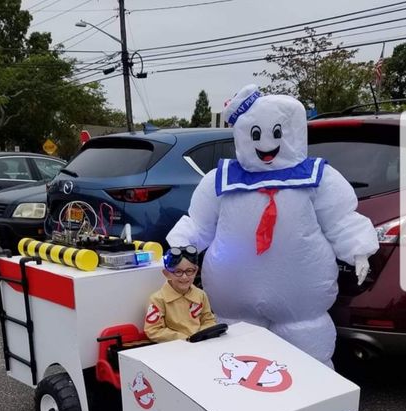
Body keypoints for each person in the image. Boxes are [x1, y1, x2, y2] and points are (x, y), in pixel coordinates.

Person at [167, 84, 379, 368]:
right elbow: (199, 223)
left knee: (307, 360)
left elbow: (340, 219)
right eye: (255, 134)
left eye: (277, 133)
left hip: (300, 301)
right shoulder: (222, 180)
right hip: (233, 301)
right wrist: (181, 244)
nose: (266, 144)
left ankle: (311, 399)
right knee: (237, 363)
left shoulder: (317, 177)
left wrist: (358, 249)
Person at [144, 245, 217, 342]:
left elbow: (208, 320)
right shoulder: (158, 299)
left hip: (200, 343)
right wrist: (183, 338)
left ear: (196, 271)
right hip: (174, 349)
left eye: (189, 271)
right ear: (167, 273)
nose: (184, 277)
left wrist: (201, 334)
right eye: (178, 272)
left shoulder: (200, 295)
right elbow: (153, 330)